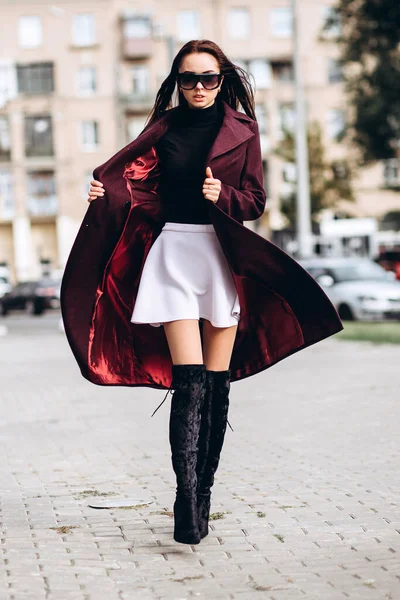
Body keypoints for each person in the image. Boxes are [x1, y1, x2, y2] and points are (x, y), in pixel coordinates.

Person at [61, 40, 342, 546]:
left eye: (208, 79)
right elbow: (134, 186)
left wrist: (224, 195)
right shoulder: (163, 129)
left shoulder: (244, 131)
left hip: (222, 257)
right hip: (173, 254)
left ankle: (205, 493)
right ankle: (185, 501)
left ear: (222, 79)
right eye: (188, 79)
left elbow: (255, 200)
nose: (198, 88)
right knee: (188, 382)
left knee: (217, 385)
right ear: (176, 81)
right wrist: (106, 193)